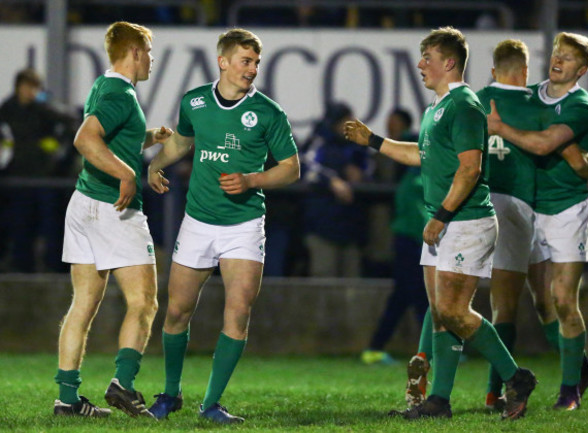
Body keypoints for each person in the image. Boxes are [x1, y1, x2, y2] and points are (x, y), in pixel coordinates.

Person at [345, 27, 536, 420]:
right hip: (447, 223)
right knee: (441, 311)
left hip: (465, 222)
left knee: (451, 310)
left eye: (427, 58)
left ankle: (516, 376)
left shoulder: (465, 105)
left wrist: (441, 215)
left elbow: (470, 169)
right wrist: (374, 141)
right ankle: (440, 401)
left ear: (449, 62)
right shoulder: (438, 108)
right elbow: (422, 155)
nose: (420, 65)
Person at [146, 28, 300, 424]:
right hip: (197, 222)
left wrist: (252, 180)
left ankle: (211, 403)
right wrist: (156, 164)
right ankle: (170, 393)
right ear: (224, 61)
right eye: (246, 61)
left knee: (238, 313)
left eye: (256, 63)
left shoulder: (268, 112)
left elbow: (291, 169)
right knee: (177, 311)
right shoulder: (194, 101)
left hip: (244, 225)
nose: (252, 70)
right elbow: (183, 141)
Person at [477, 39, 588, 410]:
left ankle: (569, 392)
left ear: (581, 70)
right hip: (525, 209)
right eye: (557, 54)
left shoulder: (581, 105)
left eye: (569, 59)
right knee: (534, 303)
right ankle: (579, 369)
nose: (559, 61)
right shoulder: (529, 96)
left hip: (565, 208)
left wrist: (500, 127)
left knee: (562, 300)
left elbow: (546, 144)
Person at [54, 21, 170, 418]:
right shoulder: (122, 93)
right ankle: (123, 383)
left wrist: (150, 136)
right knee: (145, 302)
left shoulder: (103, 86)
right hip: (114, 209)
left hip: (83, 203)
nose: (152, 60)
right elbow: (86, 139)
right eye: (150, 52)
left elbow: (110, 136)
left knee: (82, 304)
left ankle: (67, 400)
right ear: (135, 51)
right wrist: (126, 173)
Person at [361, 108, 429, 365]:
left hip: (410, 237)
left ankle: (376, 348)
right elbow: (412, 206)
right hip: (412, 238)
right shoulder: (419, 171)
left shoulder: (419, 170)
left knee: (404, 296)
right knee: (419, 296)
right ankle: (429, 350)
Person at [0, 68, 77, 272]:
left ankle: (54, 267)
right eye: (28, 87)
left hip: (44, 177)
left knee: (50, 224)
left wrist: (58, 156)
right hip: (18, 177)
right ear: (18, 87)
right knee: (19, 224)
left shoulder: (44, 108)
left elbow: (72, 122)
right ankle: (21, 266)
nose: (31, 92)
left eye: (35, 87)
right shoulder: (7, 110)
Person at [301, 101, 370, 277]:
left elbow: (370, 168)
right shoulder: (319, 142)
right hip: (322, 226)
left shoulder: (357, 145)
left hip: (351, 226)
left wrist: (360, 174)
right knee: (324, 279)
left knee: (352, 284)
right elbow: (306, 166)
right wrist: (331, 180)